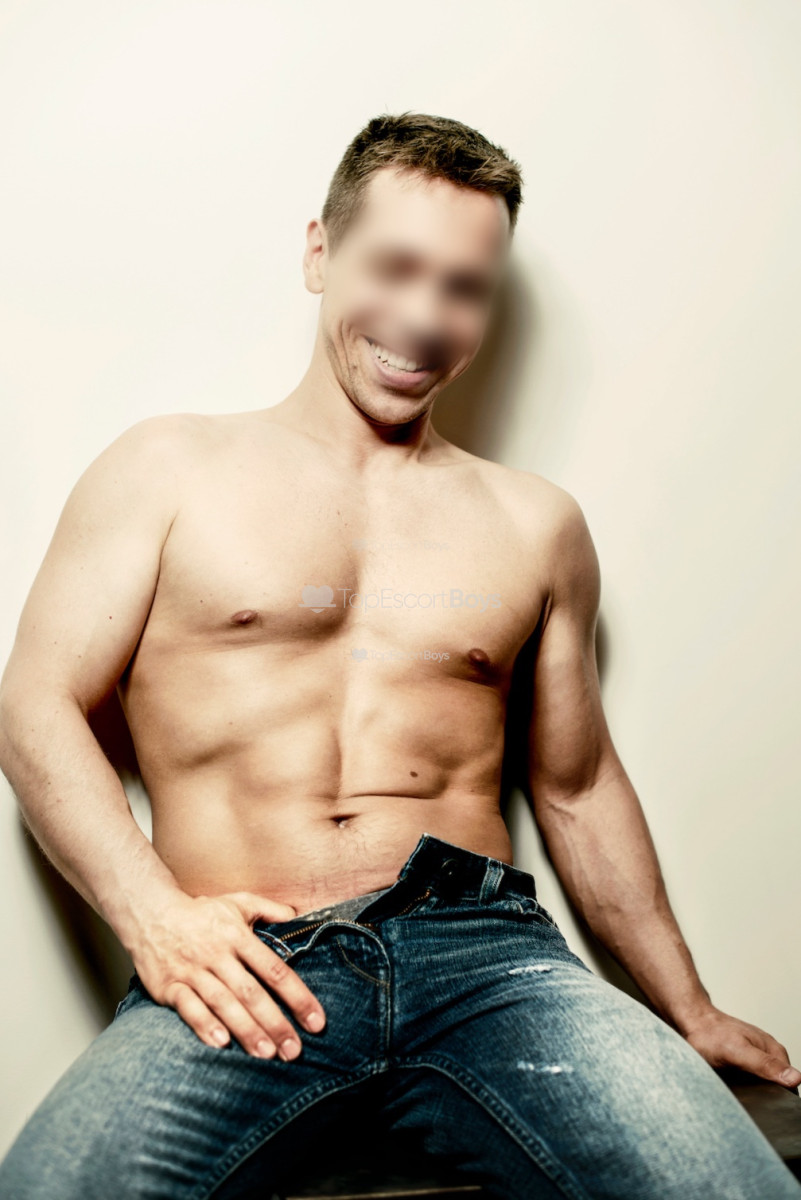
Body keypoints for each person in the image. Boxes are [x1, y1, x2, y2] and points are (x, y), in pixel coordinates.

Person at [0, 111, 798, 1200]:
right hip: (246, 963)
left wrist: (687, 1006)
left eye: (463, 287)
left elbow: (576, 786)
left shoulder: (535, 524)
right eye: (396, 267)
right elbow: (35, 703)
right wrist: (157, 918)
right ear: (320, 252)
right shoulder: (166, 470)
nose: (424, 317)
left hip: (489, 961)